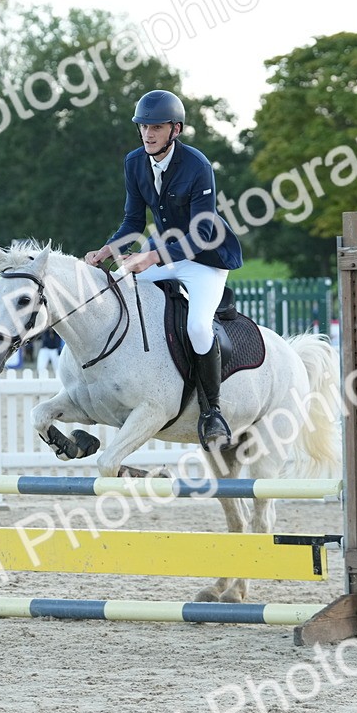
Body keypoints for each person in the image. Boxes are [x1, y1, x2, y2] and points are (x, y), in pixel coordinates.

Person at [85, 89, 243, 451]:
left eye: (156, 127)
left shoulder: (197, 165)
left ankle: (212, 411)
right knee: (119, 286)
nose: (148, 134)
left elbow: (203, 233)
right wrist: (109, 248)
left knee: (198, 326)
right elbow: (133, 220)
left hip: (205, 259)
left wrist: (151, 258)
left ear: (176, 129)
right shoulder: (134, 163)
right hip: (162, 251)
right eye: (143, 126)